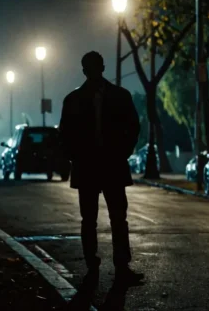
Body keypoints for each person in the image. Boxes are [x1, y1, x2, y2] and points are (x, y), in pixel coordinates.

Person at [58, 51, 144, 285]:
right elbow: (64, 135)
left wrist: (123, 151)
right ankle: (103, 265)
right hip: (96, 165)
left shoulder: (76, 99)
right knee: (101, 218)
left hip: (105, 164)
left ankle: (104, 265)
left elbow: (133, 127)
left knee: (108, 218)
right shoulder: (114, 96)